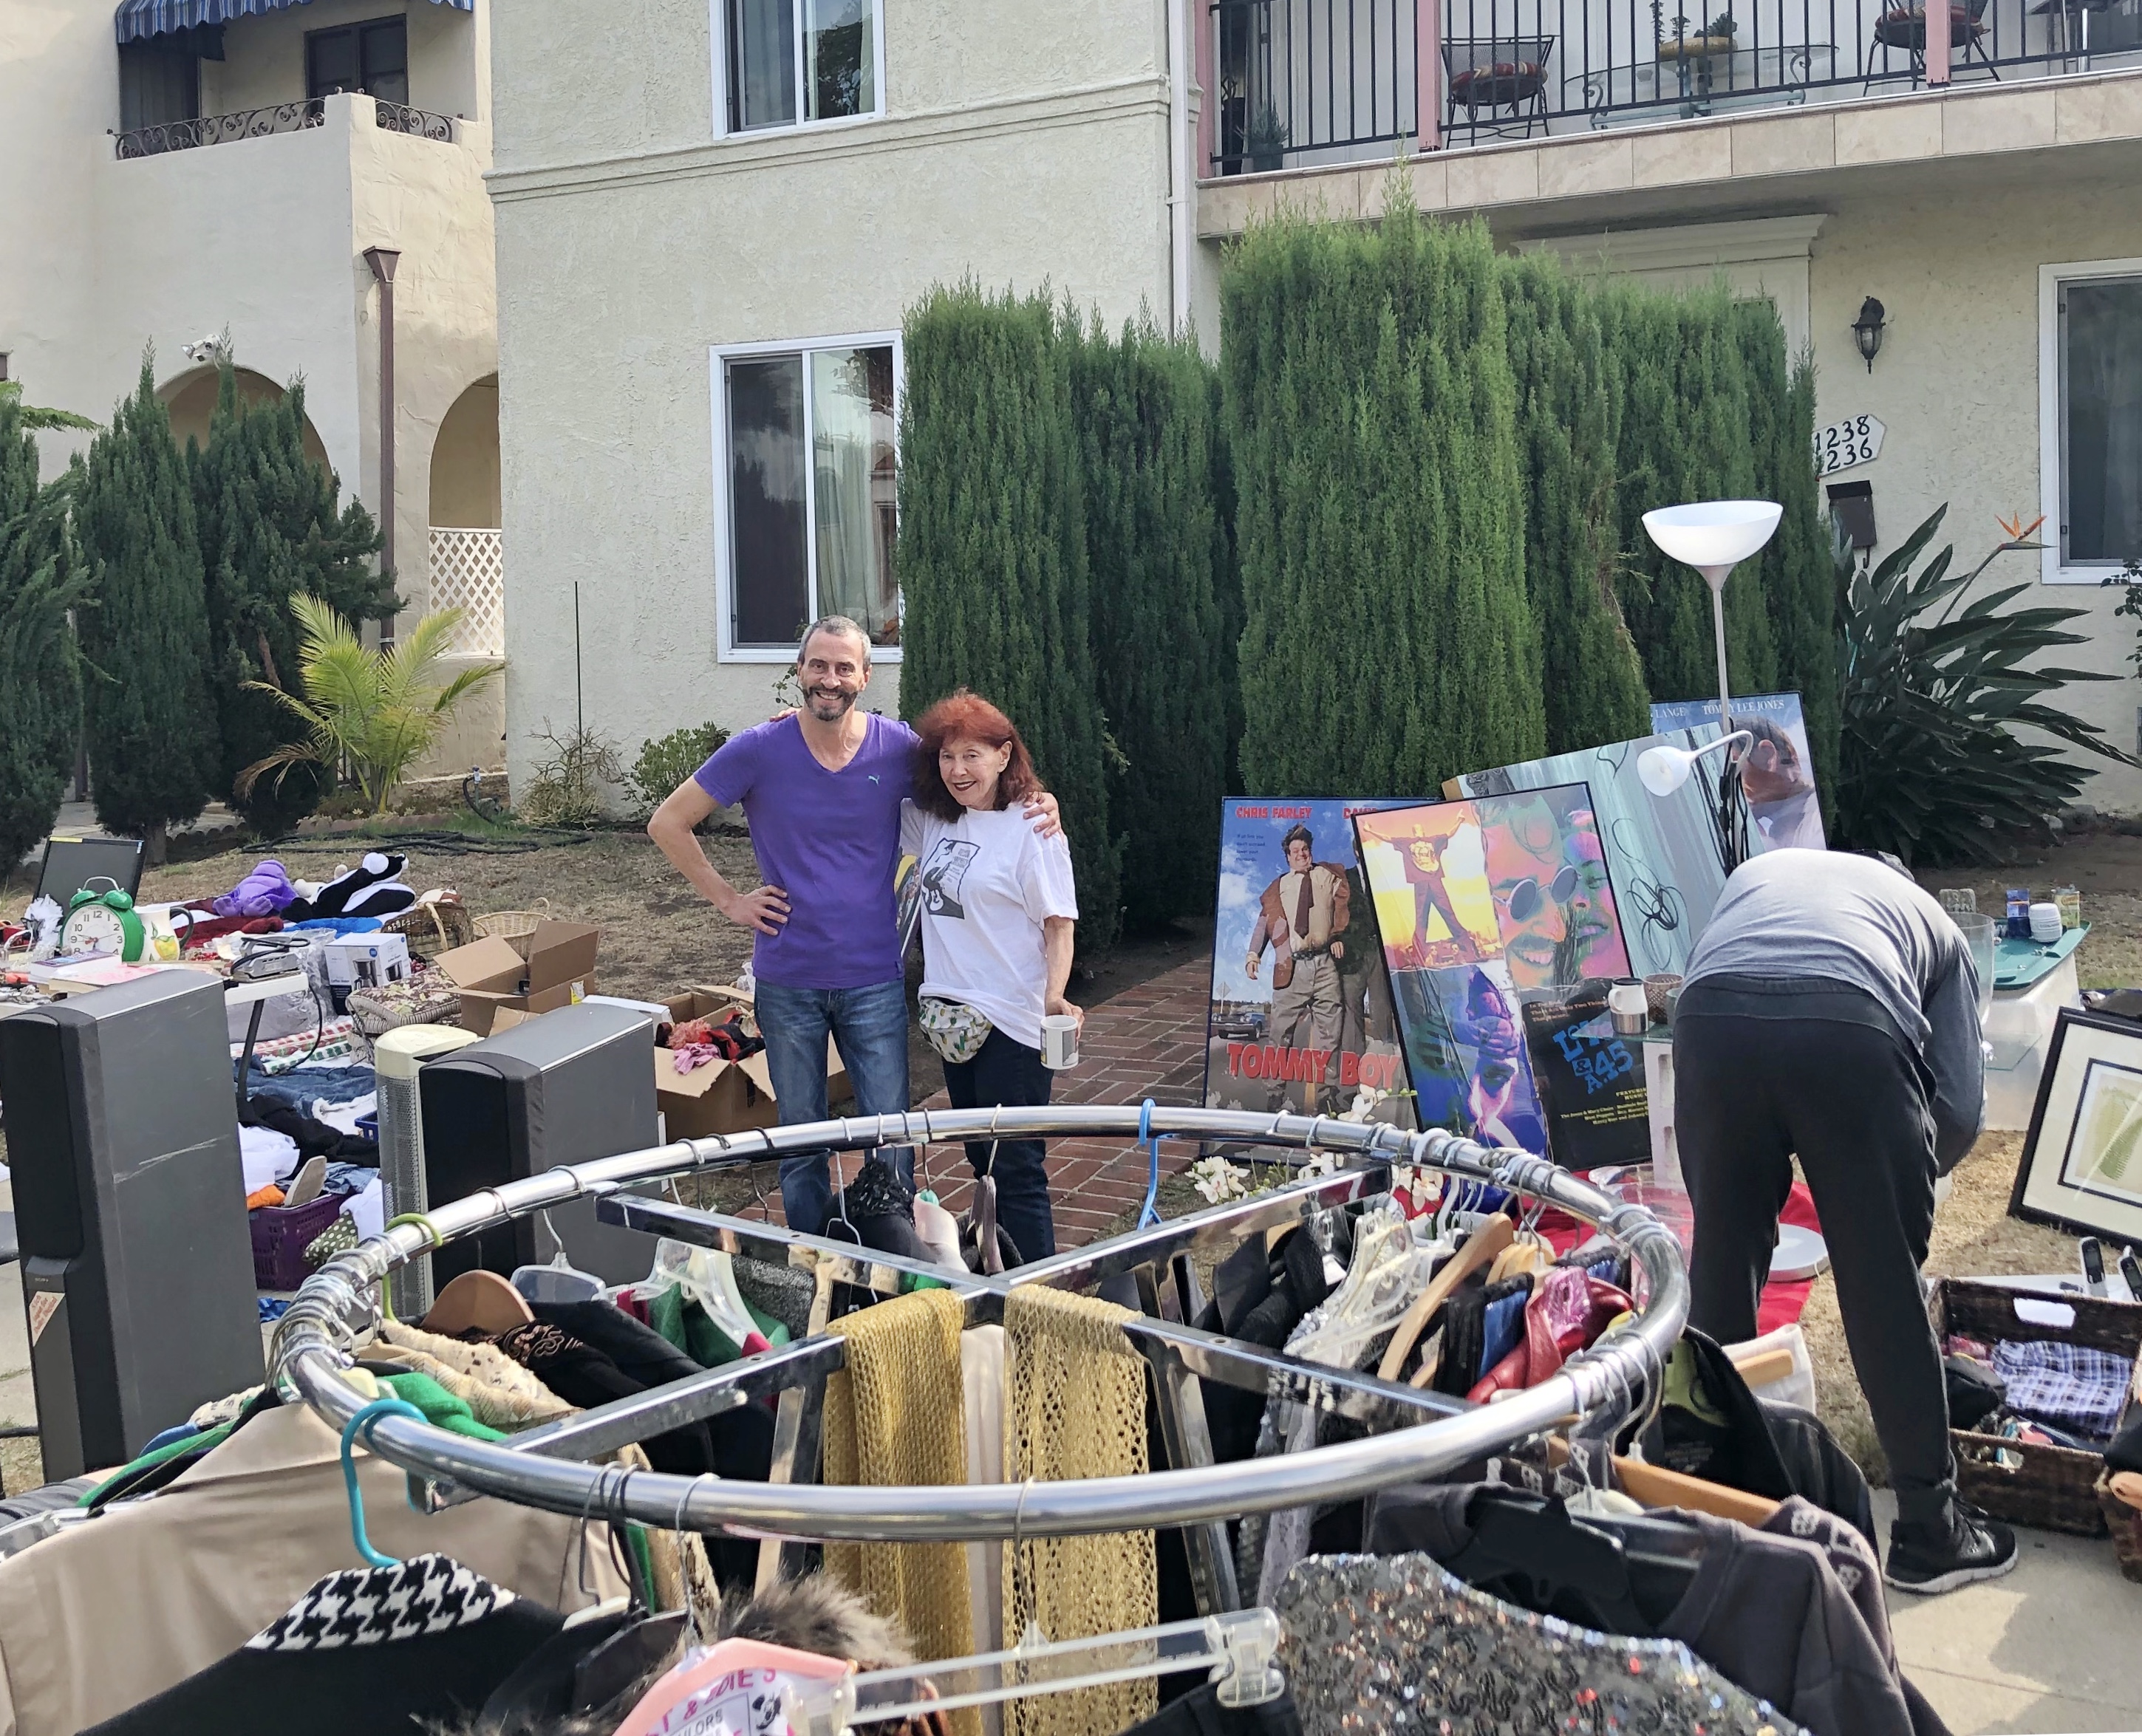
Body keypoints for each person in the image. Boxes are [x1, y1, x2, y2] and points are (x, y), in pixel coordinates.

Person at [647, 618, 1059, 1238]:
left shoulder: (897, 749)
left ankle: (888, 1257)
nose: (830, 679)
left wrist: (1039, 799)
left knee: (889, 1136)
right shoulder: (759, 749)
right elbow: (667, 822)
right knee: (800, 1140)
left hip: (873, 978)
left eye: (844, 667)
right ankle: (812, 1261)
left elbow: (972, 780)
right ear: (799, 671)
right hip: (788, 979)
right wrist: (730, 901)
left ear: (865, 676)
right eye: (818, 665)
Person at [1672, 847, 2010, 1595]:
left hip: (1708, 1018)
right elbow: (1958, 1111)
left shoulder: (1760, 876)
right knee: (1881, 1282)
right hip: (1847, 1019)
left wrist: (1782, 1138)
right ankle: (1931, 1532)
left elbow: (1726, 993)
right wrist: (1882, 1186)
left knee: (1720, 1268)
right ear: (1903, 881)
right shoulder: (1934, 926)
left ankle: (1710, 1505)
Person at [901, 690, 1079, 1264]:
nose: (958, 770)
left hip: (1011, 1025)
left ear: (1004, 756)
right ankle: (999, 1275)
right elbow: (862, 764)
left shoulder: (1032, 827)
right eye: (947, 756)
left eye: (972, 755)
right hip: (952, 1023)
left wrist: (1054, 995)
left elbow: (1058, 924)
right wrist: (801, 725)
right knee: (981, 1161)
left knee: (1016, 1169)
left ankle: (1036, 1292)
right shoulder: (933, 819)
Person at [1245, 824, 1349, 1115]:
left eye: (1305, 849)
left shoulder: (1328, 876)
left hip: (1325, 966)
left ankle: (1326, 1097)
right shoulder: (1278, 887)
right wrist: (1253, 954)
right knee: (1280, 1035)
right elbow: (1264, 923)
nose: (1301, 854)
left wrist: (1339, 936)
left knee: (1330, 1035)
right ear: (1288, 857)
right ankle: (1274, 1096)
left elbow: (1346, 906)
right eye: (1295, 851)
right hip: (1291, 968)